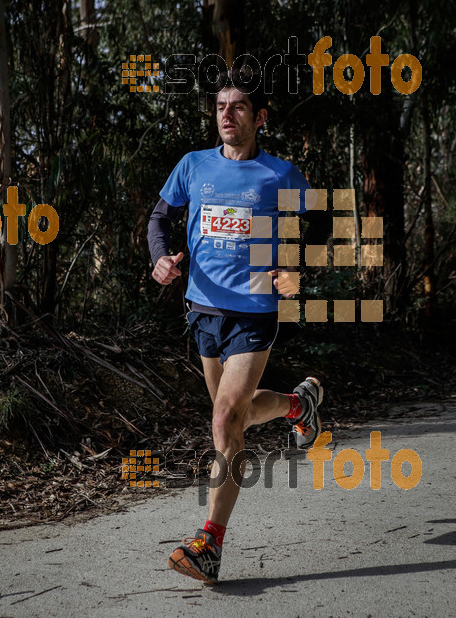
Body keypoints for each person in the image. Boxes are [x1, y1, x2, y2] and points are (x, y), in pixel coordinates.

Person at [147, 81, 331, 584]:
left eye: (239, 107)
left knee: (225, 418)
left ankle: (210, 544)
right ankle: (299, 406)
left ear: (259, 117)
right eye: (221, 107)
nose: (227, 115)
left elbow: (319, 221)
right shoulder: (193, 165)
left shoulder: (280, 173)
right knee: (240, 417)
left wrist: (295, 266)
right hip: (203, 312)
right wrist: (160, 258)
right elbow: (160, 218)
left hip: (254, 310)